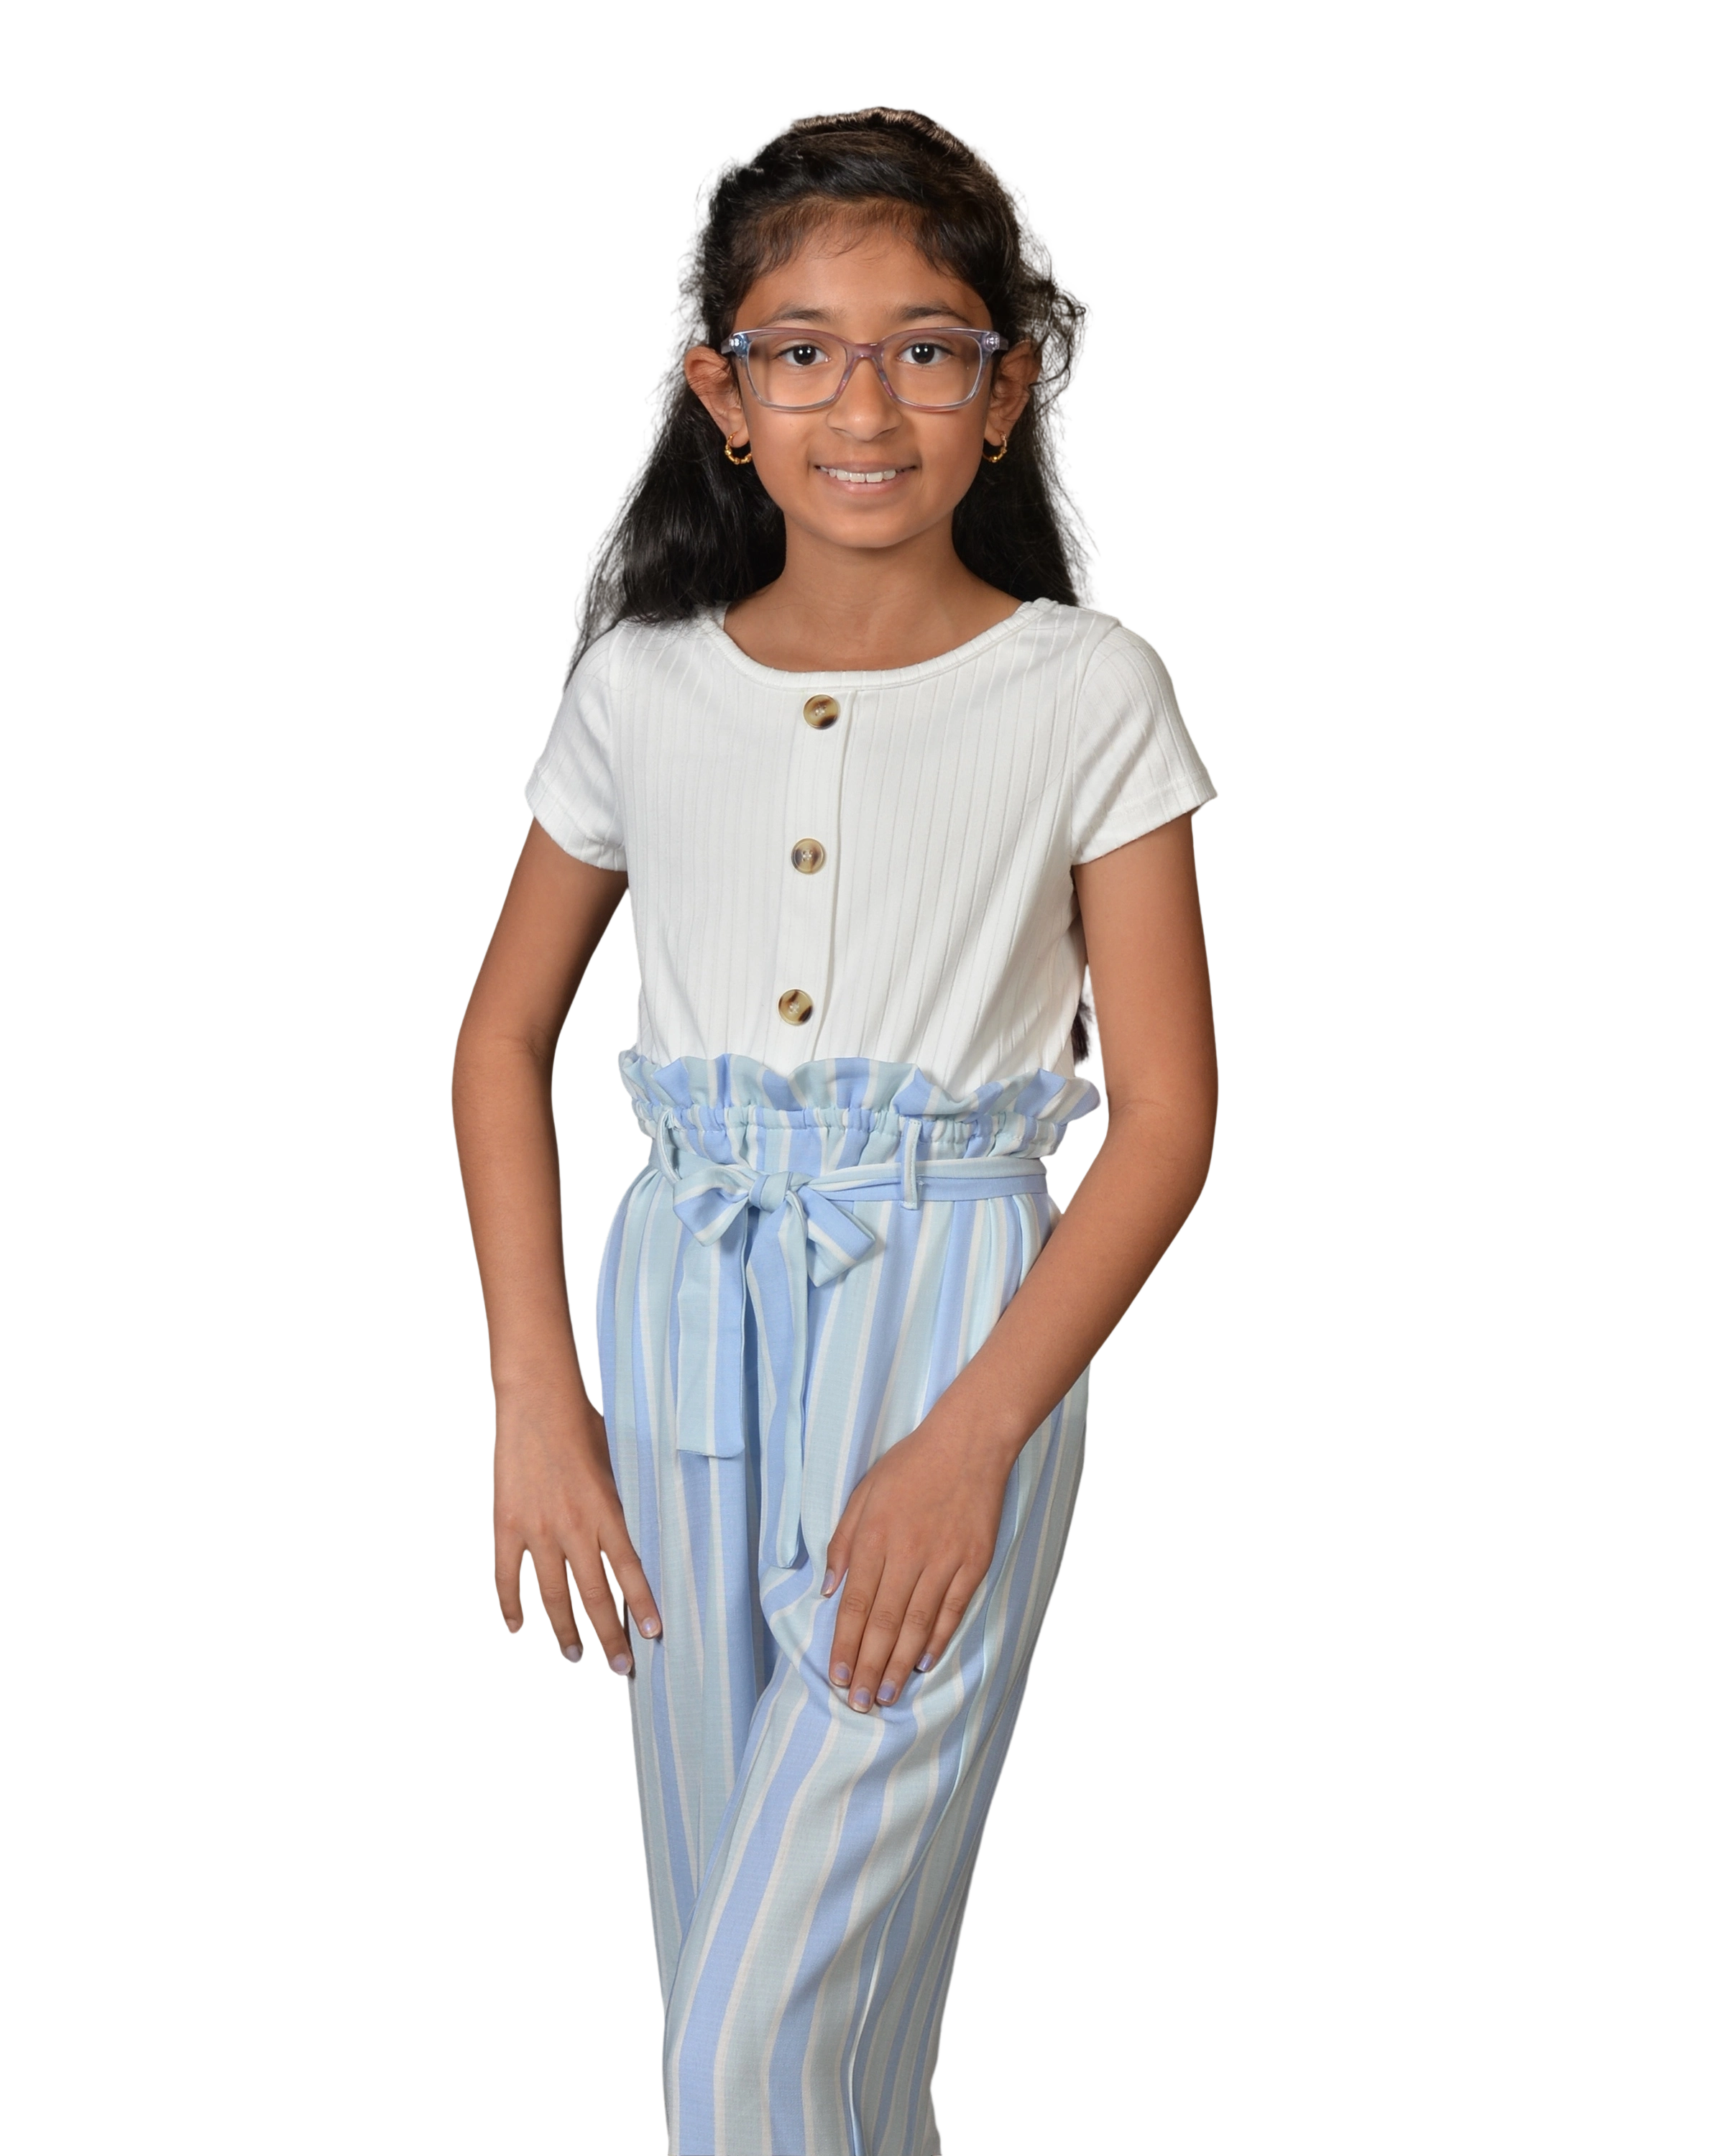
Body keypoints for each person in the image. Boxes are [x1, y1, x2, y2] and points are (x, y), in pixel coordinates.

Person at [448, 104, 1220, 2156]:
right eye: (802, 349)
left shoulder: (1087, 691)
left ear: (1005, 392)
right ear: (724, 396)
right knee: (776, 2008)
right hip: (678, 1317)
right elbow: (500, 1040)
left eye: (923, 348)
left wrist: (972, 1446)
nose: (861, 404)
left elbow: (1165, 1118)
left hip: (953, 1325)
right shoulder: (639, 689)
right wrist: (538, 1406)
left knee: (752, 2052)